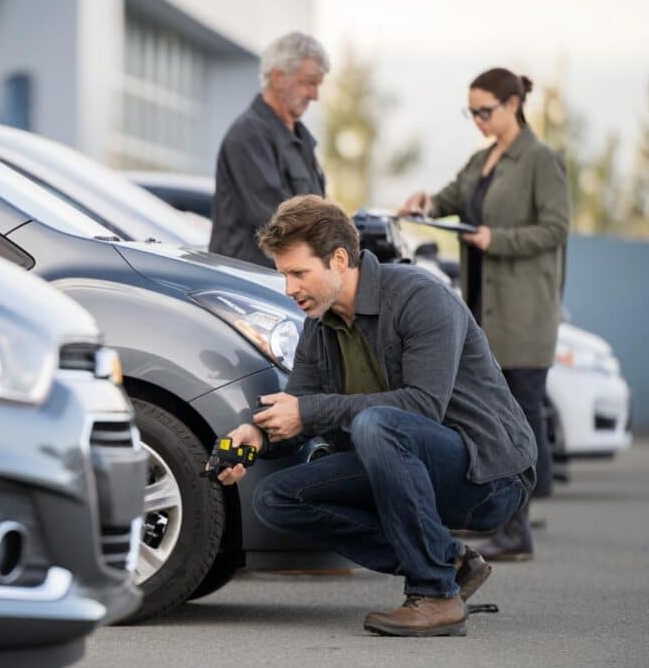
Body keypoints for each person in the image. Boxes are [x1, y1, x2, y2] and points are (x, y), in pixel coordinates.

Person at [214, 195, 536, 637]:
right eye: (284, 275)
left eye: (298, 273)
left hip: (488, 475)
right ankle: (449, 561)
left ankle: (436, 594)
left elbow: (423, 406)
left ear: (340, 260)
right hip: (401, 458)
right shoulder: (319, 327)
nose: (289, 289)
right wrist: (258, 436)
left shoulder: (420, 297)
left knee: (376, 423)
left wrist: (309, 411)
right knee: (277, 498)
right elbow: (301, 411)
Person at [399, 68, 570, 560]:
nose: (477, 119)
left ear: (513, 104)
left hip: (523, 311)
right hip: (481, 308)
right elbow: (450, 199)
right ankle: (503, 518)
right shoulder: (482, 159)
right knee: (490, 412)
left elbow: (555, 228)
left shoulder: (541, 160)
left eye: (485, 111)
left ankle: (517, 527)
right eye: (470, 111)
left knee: (516, 413)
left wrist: (499, 240)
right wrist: (424, 203)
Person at [210, 32, 329, 268]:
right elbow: (279, 222)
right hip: (250, 286)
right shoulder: (249, 136)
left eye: (318, 85)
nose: (314, 95)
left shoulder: (300, 138)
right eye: (308, 83)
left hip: (284, 283)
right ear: (277, 77)